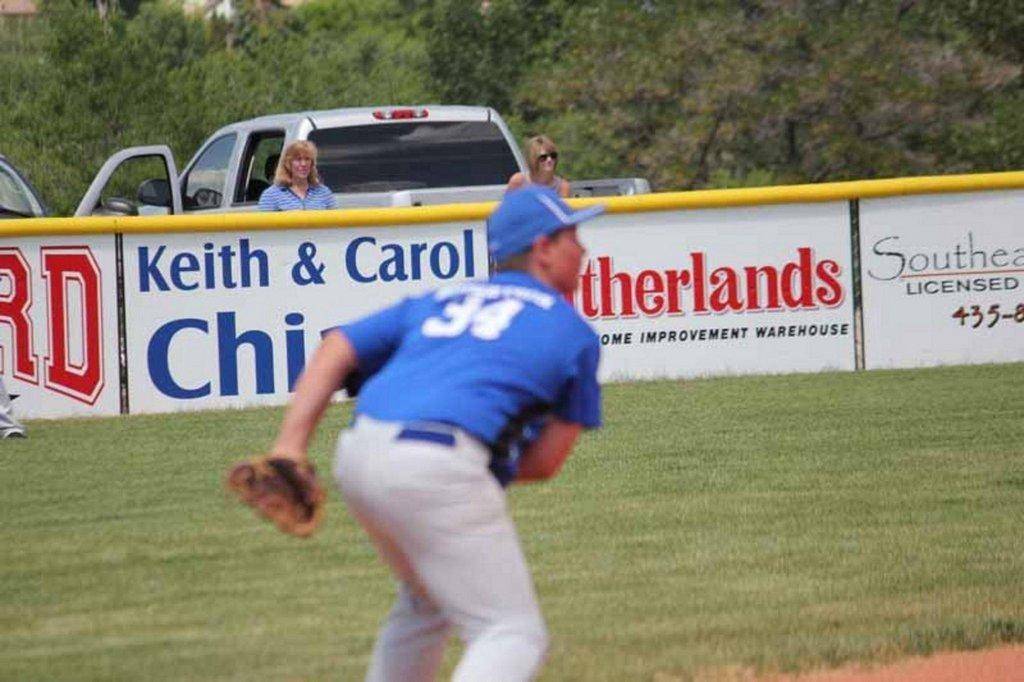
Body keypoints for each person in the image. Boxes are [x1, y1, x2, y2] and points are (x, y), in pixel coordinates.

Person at [268, 185, 605, 681]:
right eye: (573, 234)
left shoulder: (443, 297)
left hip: (358, 453)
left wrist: (289, 447)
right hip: (438, 462)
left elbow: (337, 345)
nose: (584, 249)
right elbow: (545, 462)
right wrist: (474, 471)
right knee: (510, 631)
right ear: (543, 248)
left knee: (427, 601)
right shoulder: (571, 332)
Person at [257, 140, 338, 211]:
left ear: (312, 163)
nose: (303, 164)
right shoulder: (271, 195)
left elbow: (336, 225)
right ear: (288, 163)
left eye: (307, 159)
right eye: (298, 159)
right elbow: (263, 227)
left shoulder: (324, 193)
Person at [506, 135, 571, 198]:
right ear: (533, 159)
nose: (549, 159)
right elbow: (507, 207)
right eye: (543, 157)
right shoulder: (518, 181)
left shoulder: (562, 187)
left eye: (553, 155)